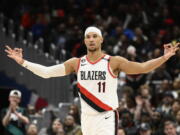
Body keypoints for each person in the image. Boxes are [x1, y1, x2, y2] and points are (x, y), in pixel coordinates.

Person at [5, 26, 180, 135]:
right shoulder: (76, 63)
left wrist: (164, 58)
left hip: (106, 115)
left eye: (94, 36)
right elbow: (47, 73)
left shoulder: (113, 61)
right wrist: (22, 62)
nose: (91, 39)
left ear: (101, 39)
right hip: (86, 117)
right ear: (84, 41)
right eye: (88, 36)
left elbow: (142, 68)